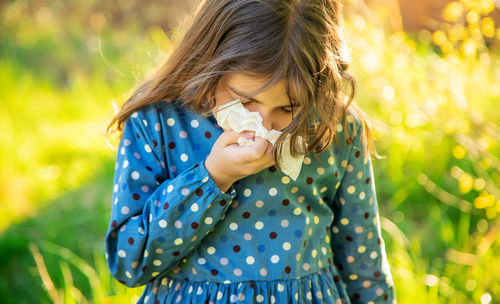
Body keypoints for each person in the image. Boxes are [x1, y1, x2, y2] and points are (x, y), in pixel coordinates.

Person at [104, 0, 396, 303]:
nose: (263, 126)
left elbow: (363, 259)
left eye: (288, 107)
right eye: (245, 101)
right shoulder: (158, 123)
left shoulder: (334, 128)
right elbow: (129, 262)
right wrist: (211, 178)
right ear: (208, 62)